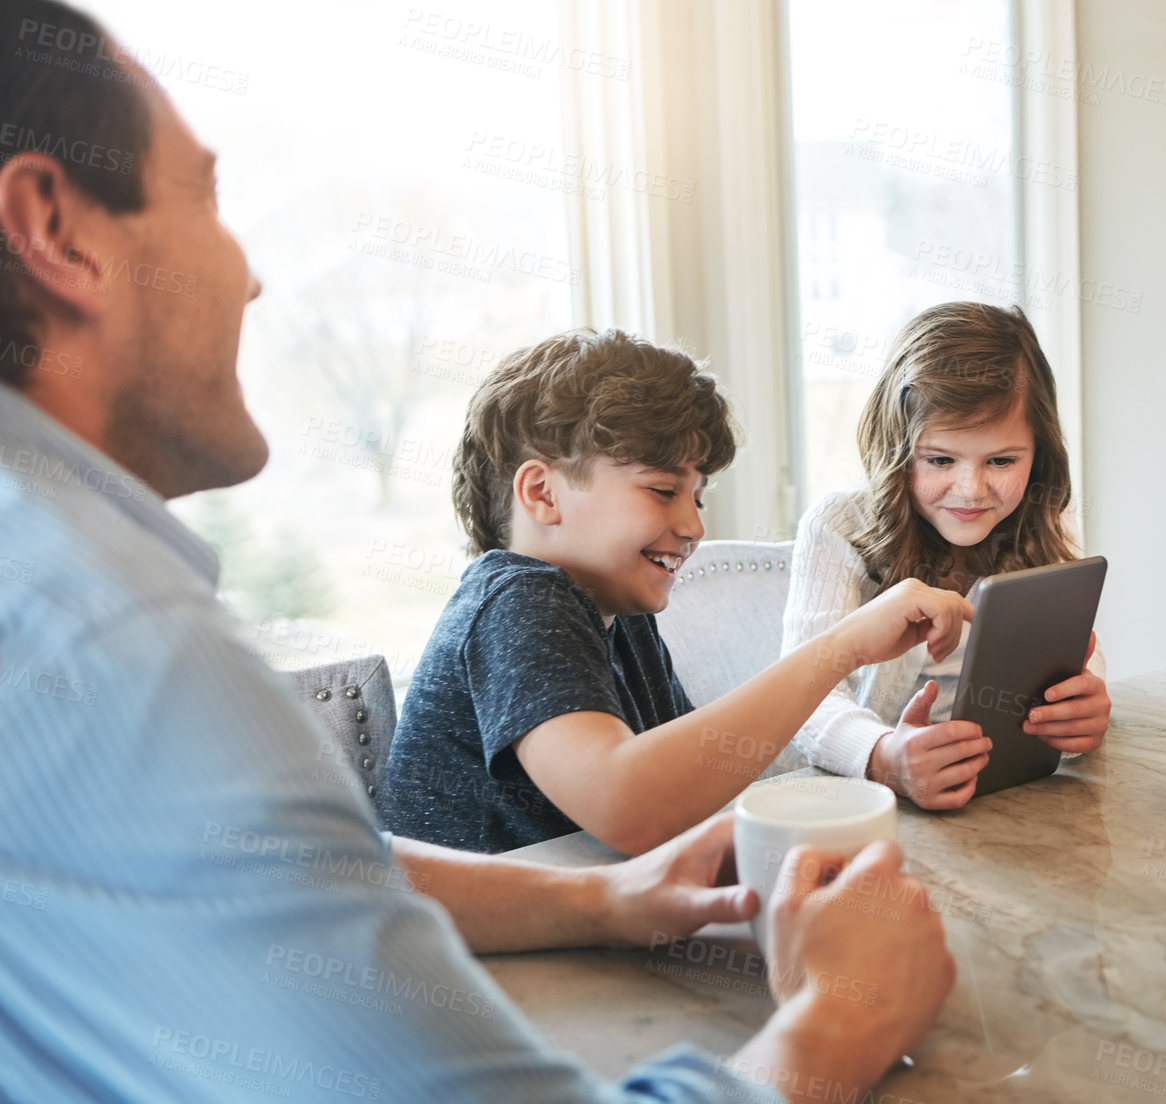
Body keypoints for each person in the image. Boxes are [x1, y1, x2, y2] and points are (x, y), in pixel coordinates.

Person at [0, 2, 953, 1100]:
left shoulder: (66, 626)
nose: (251, 278)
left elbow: (281, 871)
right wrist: (836, 1026)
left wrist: (604, 897)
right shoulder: (134, 651)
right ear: (58, 233)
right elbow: (629, 801)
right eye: (207, 197)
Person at [380, 327, 973, 855]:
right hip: (474, 970)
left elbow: (692, 787)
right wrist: (840, 648)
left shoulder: (619, 615)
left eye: (698, 497)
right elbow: (630, 808)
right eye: (663, 491)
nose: (693, 526)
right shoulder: (517, 601)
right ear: (542, 493)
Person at [781, 301, 1111, 809]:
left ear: (1038, 452)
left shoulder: (1043, 518)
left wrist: (1084, 703)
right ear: (896, 447)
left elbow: (1076, 657)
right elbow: (803, 698)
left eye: (1001, 461)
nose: (971, 489)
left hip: (1009, 800)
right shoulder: (839, 527)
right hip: (874, 810)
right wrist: (883, 754)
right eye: (939, 460)